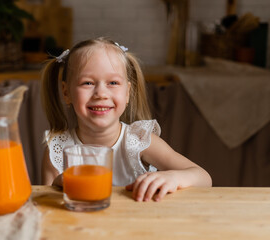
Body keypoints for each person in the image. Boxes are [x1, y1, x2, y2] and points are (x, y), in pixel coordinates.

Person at [40, 37, 212, 202]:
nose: (101, 94)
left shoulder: (140, 141)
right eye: (87, 83)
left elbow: (204, 178)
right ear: (66, 92)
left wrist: (174, 177)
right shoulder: (57, 150)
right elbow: (46, 208)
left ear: (128, 92)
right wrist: (58, 183)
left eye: (113, 83)